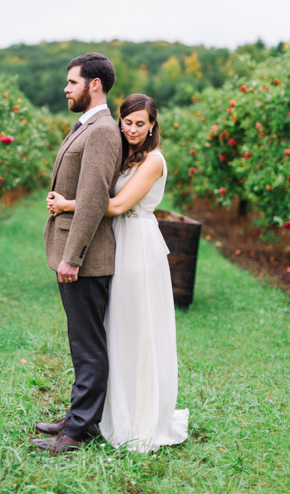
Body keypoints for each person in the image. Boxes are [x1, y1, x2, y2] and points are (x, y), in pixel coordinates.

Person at [47, 93, 189, 453]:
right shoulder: (128, 156)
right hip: (115, 243)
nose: (132, 129)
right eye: (127, 122)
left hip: (138, 246)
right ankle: (100, 413)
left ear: (153, 125)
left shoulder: (154, 160)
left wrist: (67, 204)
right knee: (112, 331)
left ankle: (137, 419)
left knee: (135, 330)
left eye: (141, 123)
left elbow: (119, 204)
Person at [33, 53, 122, 453]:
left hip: (86, 259)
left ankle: (80, 429)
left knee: (88, 344)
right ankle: (77, 414)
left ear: (95, 85)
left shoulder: (102, 130)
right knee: (80, 339)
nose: (66, 89)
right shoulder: (88, 126)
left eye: (72, 82)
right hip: (74, 254)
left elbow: (91, 199)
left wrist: (73, 256)